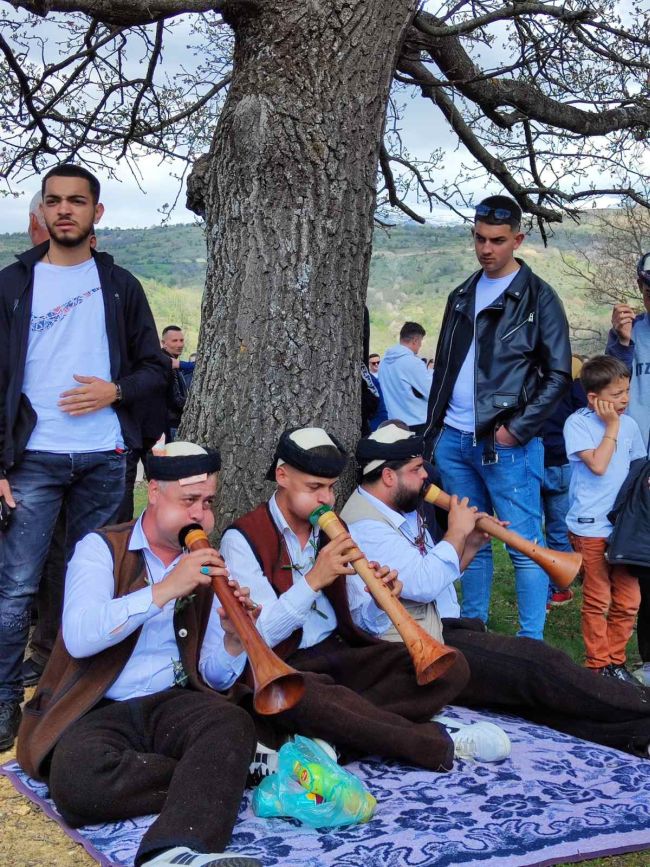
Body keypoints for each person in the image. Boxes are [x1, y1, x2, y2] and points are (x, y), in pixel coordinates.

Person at [16, 442, 263, 867]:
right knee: (77, 783)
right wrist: (165, 590)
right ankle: (219, 771)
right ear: (154, 492)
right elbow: (80, 636)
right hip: (98, 706)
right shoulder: (101, 549)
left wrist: (233, 639)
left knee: (231, 722)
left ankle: (172, 852)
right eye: (189, 500)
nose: (200, 515)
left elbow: (213, 676)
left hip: (172, 703)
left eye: (207, 503)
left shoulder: (206, 561)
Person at [340, 423, 650, 759]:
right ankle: (642, 709)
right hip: (413, 649)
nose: (425, 477)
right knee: (537, 665)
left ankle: (635, 732)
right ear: (388, 476)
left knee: (528, 691)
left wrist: (470, 545)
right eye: (416, 470)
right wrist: (456, 532)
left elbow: (428, 579)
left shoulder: (400, 504)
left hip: (437, 628)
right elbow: (424, 584)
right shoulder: (365, 526)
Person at [220, 426, 511, 769]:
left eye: (331, 487)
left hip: (340, 654)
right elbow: (258, 635)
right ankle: (434, 741)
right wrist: (312, 581)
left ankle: (335, 739)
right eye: (314, 487)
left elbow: (361, 622)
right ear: (282, 476)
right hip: (287, 664)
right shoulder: (242, 539)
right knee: (310, 698)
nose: (327, 499)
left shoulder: (333, 531)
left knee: (450, 668)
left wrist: (380, 600)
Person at [0, 164, 167, 751]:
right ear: (42, 212)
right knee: (16, 585)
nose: (64, 210)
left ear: (97, 213)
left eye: (76, 201)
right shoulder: (11, 285)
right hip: (33, 457)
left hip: (105, 456)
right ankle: (4, 702)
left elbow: (155, 369)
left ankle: (78, 696)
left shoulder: (120, 286)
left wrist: (114, 391)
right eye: (54, 201)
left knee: (95, 582)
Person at [424, 194, 572, 640]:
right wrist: (434, 432)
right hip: (454, 439)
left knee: (526, 549)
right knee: (470, 539)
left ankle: (531, 646)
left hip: (504, 445)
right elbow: (445, 367)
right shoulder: (461, 294)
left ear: (518, 240)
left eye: (497, 240)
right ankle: (474, 634)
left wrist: (516, 431)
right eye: (479, 238)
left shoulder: (540, 298)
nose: (486, 248)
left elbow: (559, 374)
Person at [563, 355, 646, 683]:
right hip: (590, 526)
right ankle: (598, 665)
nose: (625, 399)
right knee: (598, 599)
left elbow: (638, 469)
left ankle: (615, 661)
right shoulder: (578, 424)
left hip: (624, 527)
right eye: (616, 394)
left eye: (627, 391)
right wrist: (611, 427)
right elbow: (598, 465)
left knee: (629, 600)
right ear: (593, 398)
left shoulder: (631, 425)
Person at [606, 251, 650, 684]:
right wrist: (621, 341)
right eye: (649, 289)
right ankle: (647, 657)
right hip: (639, 466)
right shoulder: (630, 333)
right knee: (645, 564)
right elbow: (609, 387)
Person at [541, 355, 588, 608]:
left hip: (534, 460)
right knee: (558, 530)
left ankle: (541, 592)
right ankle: (559, 589)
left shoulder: (529, 377)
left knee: (532, 533)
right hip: (562, 461)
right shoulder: (573, 380)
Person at [378, 322, 433, 433]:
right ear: (415, 341)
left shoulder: (383, 362)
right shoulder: (413, 362)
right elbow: (432, 391)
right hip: (417, 422)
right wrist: (431, 372)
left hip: (394, 423)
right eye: (420, 342)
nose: (420, 345)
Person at [161, 325, 190, 442]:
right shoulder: (167, 363)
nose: (180, 344)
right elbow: (176, 400)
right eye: (174, 341)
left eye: (181, 340)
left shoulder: (172, 363)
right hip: (170, 424)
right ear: (164, 343)